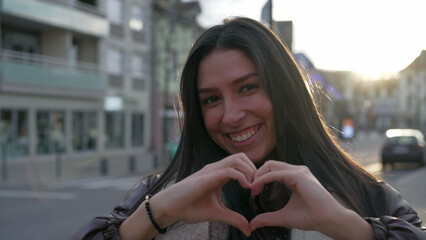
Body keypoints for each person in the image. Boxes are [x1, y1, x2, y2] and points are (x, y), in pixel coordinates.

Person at [71, 17, 426, 240]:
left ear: (284, 90)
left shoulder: (368, 195)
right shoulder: (161, 192)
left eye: (247, 88)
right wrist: (158, 214)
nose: (230, 115)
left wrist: (344, 225)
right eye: (211, 99)